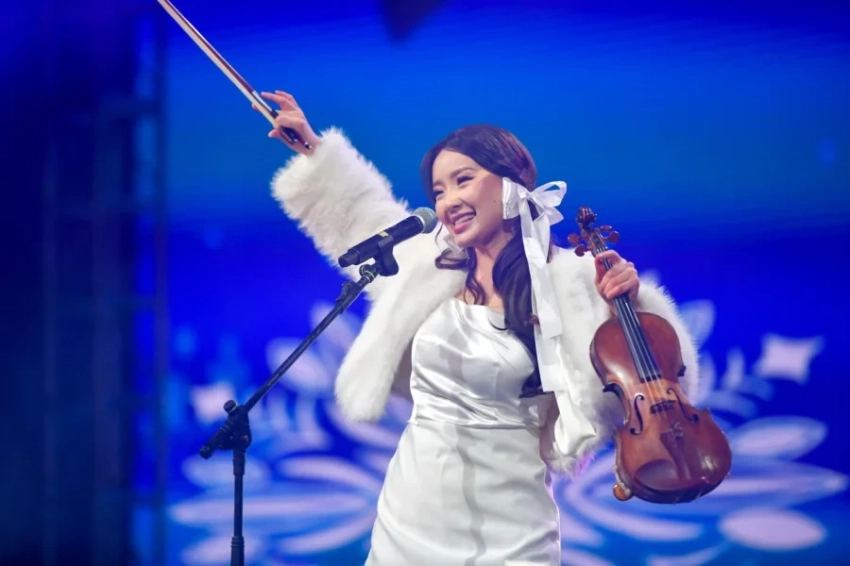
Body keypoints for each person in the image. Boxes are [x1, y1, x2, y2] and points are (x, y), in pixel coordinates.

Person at [258, 91, 700, 566]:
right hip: (412, 513)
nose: (448, 201)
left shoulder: (571, 285)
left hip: (513, 525)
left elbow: (660, 387)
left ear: (511, 183)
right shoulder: (426, 266)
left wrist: (630, 304)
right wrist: (314, 150)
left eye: (462, 180)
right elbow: (360, 216)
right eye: (438, 191)